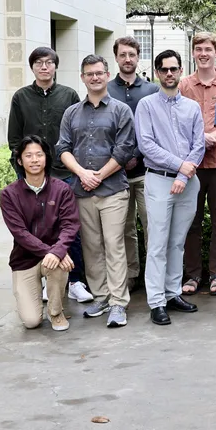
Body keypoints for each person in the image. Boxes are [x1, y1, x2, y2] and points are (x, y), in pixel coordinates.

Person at [7, 46, 92, 304]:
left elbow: (78, 133)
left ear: (56, 66)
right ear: (32, 67)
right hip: (32, 176)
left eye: (49, 62)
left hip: (65, 174)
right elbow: (15, 140)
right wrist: (23, 175)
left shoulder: (69, 95)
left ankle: (75, 281)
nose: (44, 67)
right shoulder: (21, 97)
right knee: (36, 227)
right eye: (39, 63)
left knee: (70, 229)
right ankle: (46, 278)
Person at [57, 55, 136, 328]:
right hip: (82, 191)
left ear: (107, 75)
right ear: (82, 78)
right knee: (91, 247)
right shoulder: (71, 113)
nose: (95, 77)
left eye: (99, 73)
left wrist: (99, 175)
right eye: (89, 74)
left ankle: (118, 303)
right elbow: (63, 148)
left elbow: (125, 150)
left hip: (113, 190)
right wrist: (82, 173)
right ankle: (102, 297)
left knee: (114, 246)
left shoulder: (121, 110)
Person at [135, 50, 205, 325]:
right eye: (164, 69)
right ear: (157, 72)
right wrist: (180, 166)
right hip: (159, 180)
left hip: (187, 183)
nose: (169, 73)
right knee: (157, 243)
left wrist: (184, 176)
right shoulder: (146, 106)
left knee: (177, 241)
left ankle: (172, 293)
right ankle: (156, 301)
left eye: (173, 68)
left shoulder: (192, 107)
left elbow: (199, 145)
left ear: (180, 70)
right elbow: (146, 144)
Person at [179, 32, 216, 297]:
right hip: (191, 165)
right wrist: (200, 138)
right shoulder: (183, 85)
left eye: (208, 49)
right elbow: (175, 121)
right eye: (199, 49)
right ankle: (192, 275)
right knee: (190, 222)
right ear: (193, 53)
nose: (203, 54)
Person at [0, 136, 80, 331]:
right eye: (28, 156)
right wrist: (51, 251)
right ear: (20, 161)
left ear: (46, 158)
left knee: (60, 262)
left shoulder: (62, 190)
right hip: (24, 259)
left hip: (53, 258)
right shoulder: (9, 194)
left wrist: (58, 251)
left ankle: (55, 312)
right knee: (31, 321)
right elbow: (19, 233)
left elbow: (70, 225)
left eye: (39, 155)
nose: (34, 160)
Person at [108, 36, 159, 293]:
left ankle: (154, 276)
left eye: (132, 54)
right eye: (123, 55)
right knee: (125, 228)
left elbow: (155, 129)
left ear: (138, 57)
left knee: (152, 225)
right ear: (116, 57)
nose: (127, 59)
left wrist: (135, 154)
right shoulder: (106, 89)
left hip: (146, 171)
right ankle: (131, 274)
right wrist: (120, 159)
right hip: (116, 174)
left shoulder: (151, 90)